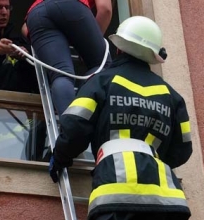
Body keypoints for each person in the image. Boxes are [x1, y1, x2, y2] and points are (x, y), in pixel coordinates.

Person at [48, 16, 192, 220]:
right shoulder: (172, 96)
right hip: (166, 201)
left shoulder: (102, 82)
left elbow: (75, 128)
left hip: (114, 195)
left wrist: (60, 157)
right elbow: (183, 151)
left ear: (119, 48)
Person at [24, 0, 113, 114]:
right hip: (72, 5)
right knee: (101, 66)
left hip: (36, 13)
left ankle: (70, 125)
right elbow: (105, 9)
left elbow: (25, 29)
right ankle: (83, 115)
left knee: (61, 74)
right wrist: (89, 44)